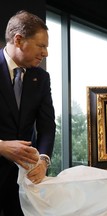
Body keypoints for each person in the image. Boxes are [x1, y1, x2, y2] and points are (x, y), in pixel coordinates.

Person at [0, 10, 55, 215]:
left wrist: (43, 160)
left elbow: (47, 125)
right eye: (41, 46)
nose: (46, 53)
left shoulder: (41, 78)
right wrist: (1, 147)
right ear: (19, 39)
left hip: (24, 184)